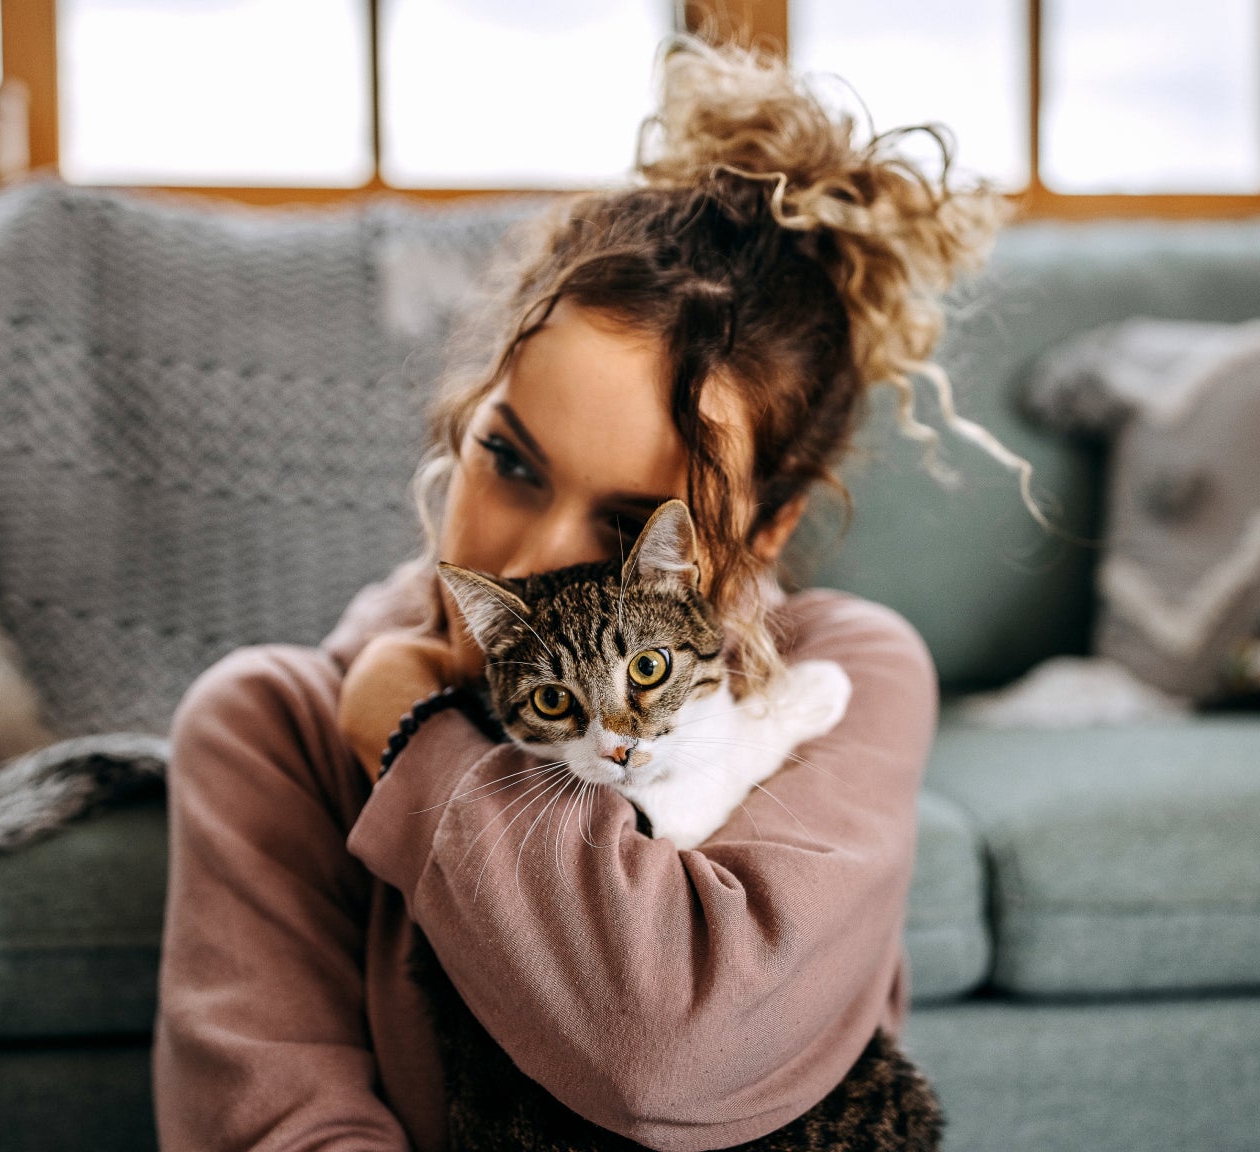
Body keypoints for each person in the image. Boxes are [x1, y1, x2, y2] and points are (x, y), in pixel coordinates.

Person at [153, 38, 1012, 1152]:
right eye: (509, 460)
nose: (527, 562)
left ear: (764, 533)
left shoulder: (846, 678)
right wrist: (377, 708)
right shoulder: (266, 726)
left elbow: (676, 1057)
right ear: (464, 421)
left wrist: (413, 742)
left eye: (624, 524)